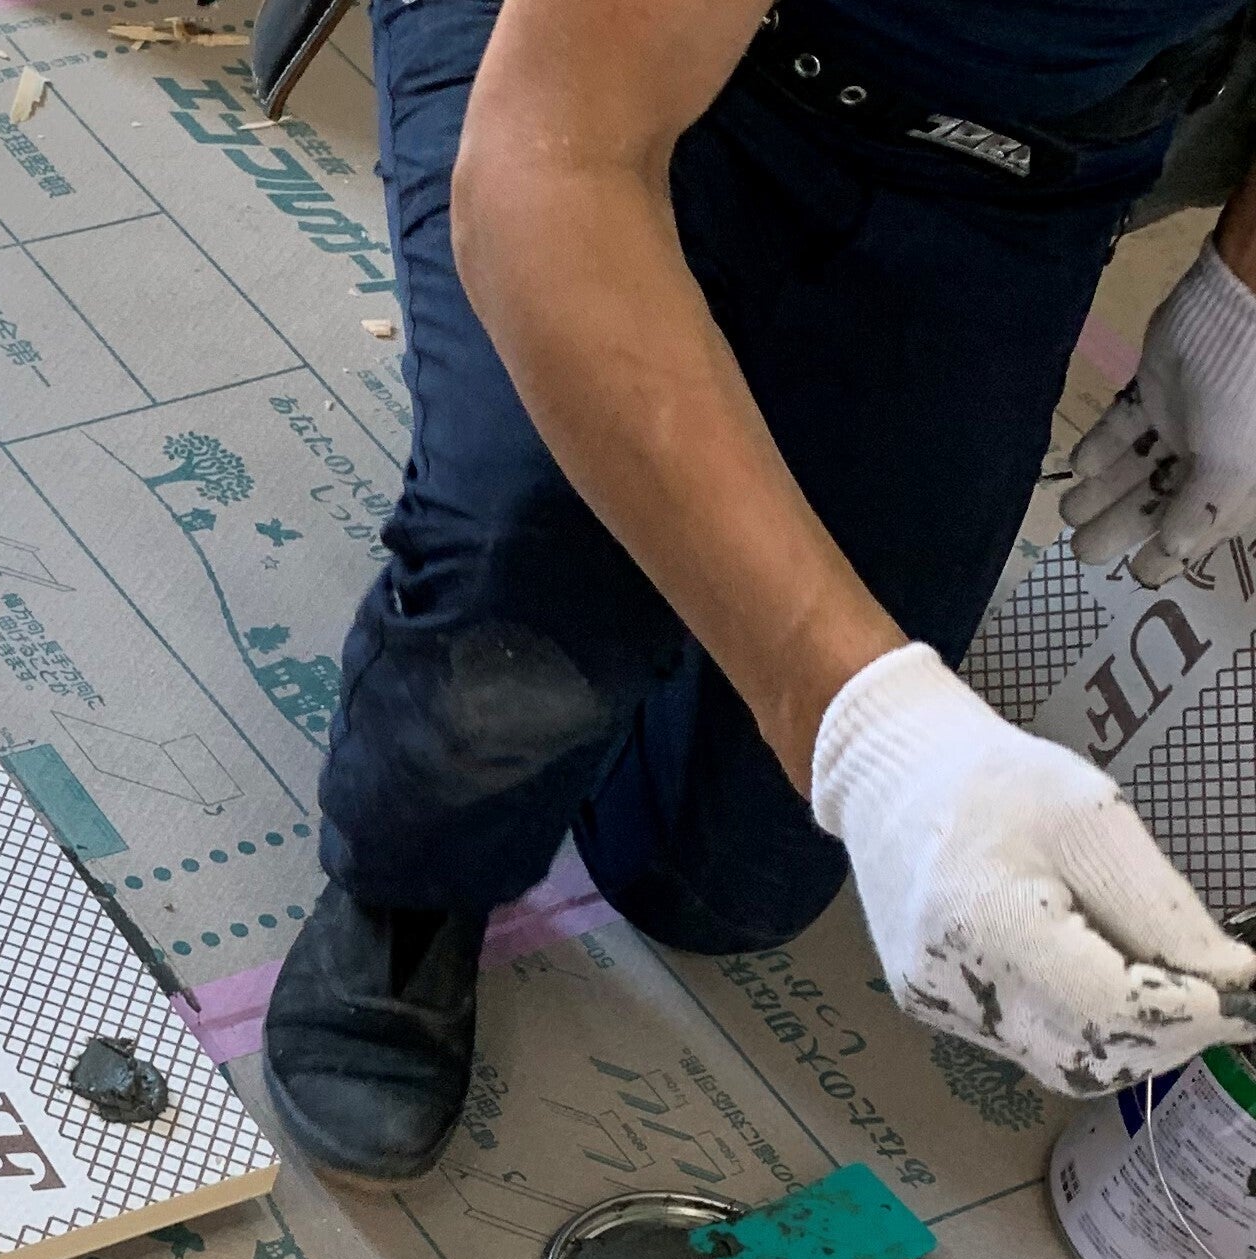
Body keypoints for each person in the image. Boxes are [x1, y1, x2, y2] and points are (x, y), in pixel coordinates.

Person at [260, 0, 1256, 1183]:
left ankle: (637, 492)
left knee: (727, 885)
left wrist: (1243, 303)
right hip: (601, 81)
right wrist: (876, 729)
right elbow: (561, 160)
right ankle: (417, 876)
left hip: (1013, 166)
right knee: (528, 634)